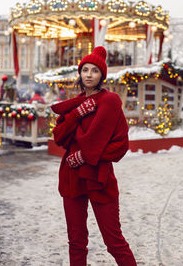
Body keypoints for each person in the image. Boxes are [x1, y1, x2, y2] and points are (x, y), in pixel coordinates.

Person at [51, 46, 137, 266]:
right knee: (76, 242)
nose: (89, 74)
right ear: (80, 74)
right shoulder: (75, 104)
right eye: (85, 70)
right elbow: (59, 136)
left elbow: (120, 146)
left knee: (114, 242)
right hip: (72, 177)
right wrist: (78, 114)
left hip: (99, 177)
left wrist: (86, 156)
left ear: (102, 75)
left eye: (95, 70)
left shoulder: (110, 101)